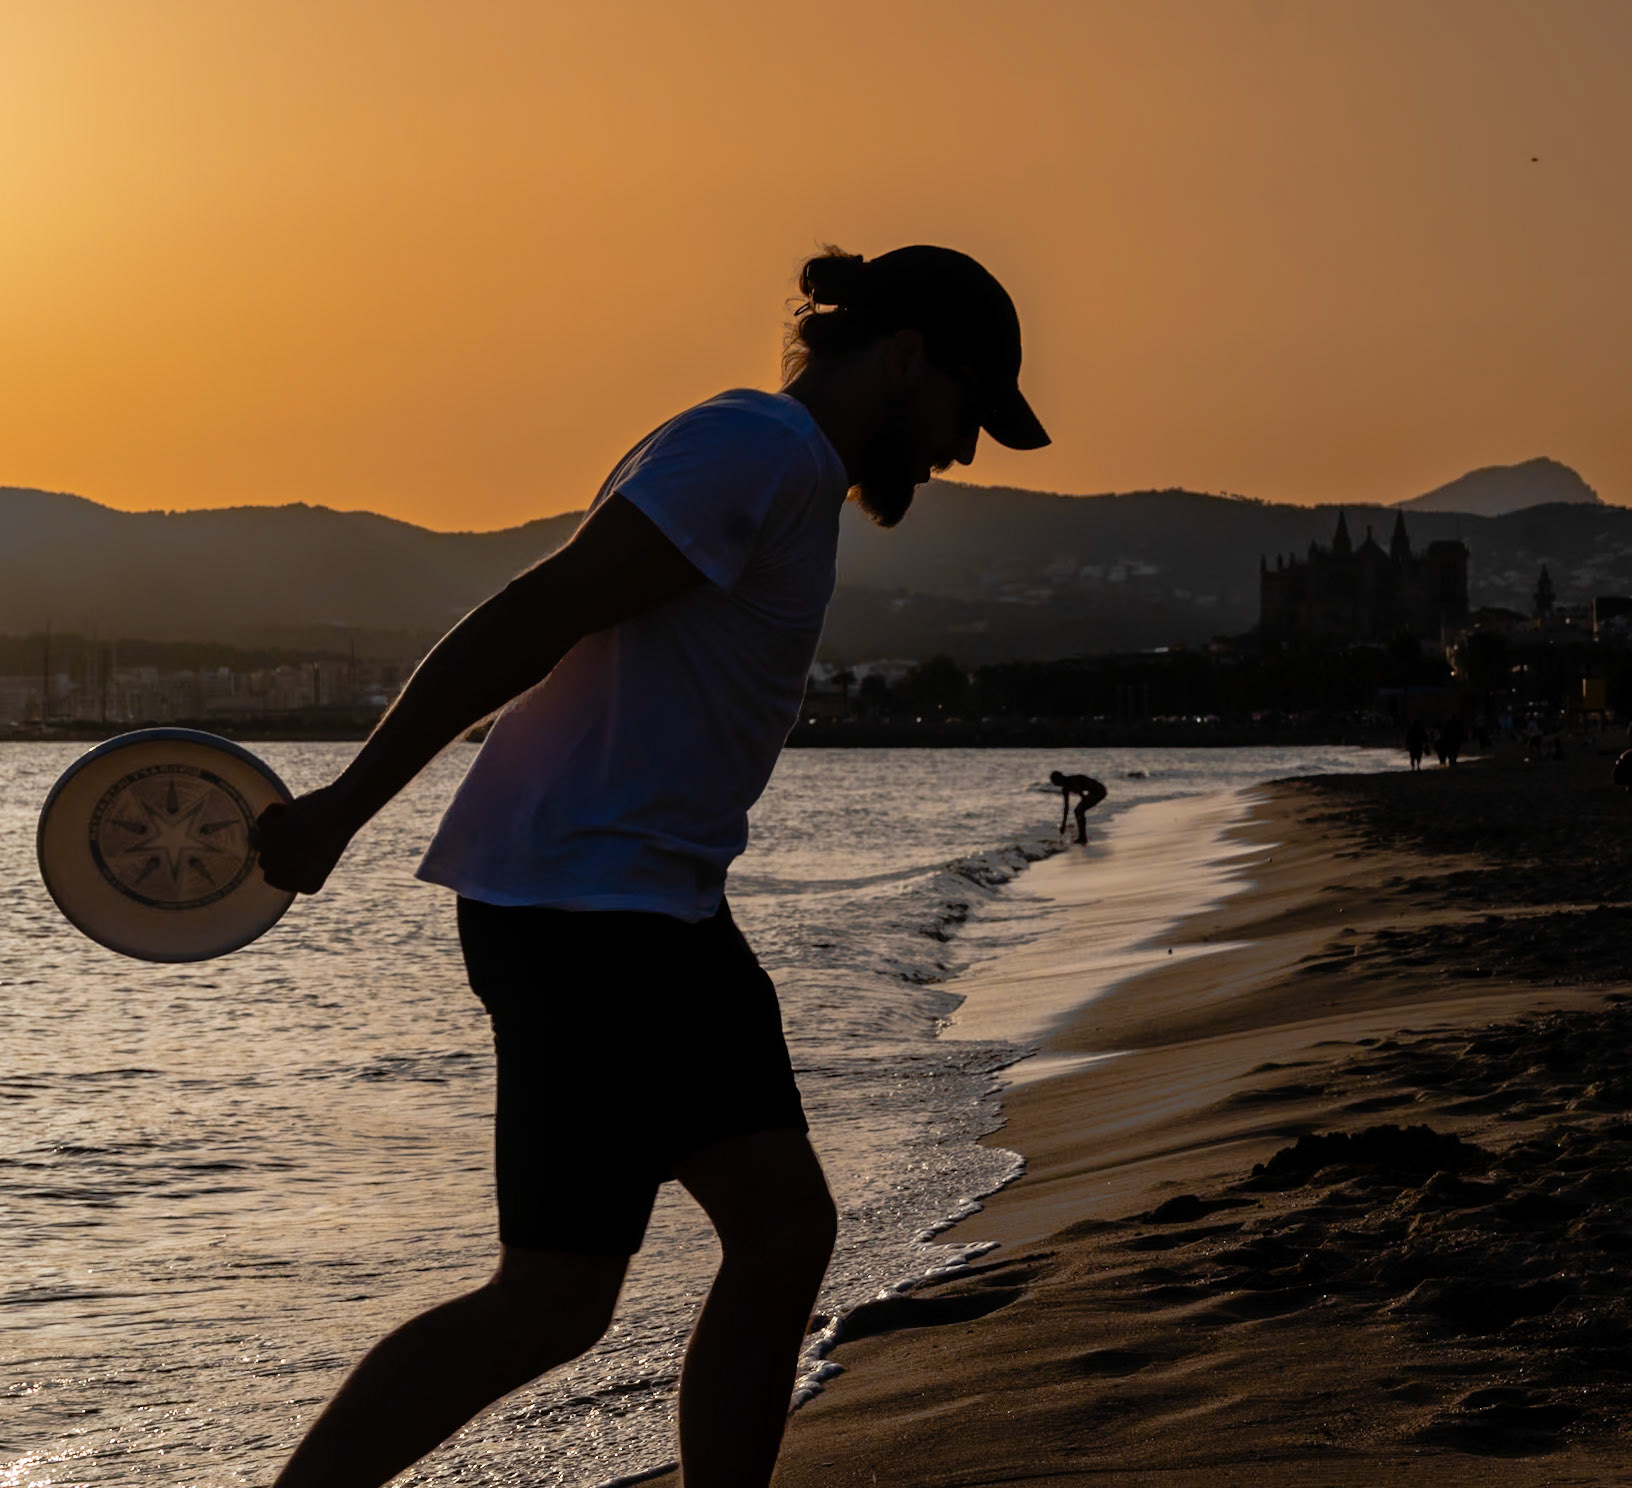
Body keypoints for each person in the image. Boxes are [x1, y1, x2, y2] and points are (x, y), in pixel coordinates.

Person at [253, 243, 1049, 1488]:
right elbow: (542, 608)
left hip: (636, 904)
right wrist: (345, 808)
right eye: (965, 409)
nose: (962, 450)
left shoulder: (781, 470)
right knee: (593, 1286)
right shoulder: (759, 449)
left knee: (687, 1261)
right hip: (591, 908)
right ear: (903, 358)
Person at [1049, 770, 1107, 844]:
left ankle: (1082, 837)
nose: (1054, 784)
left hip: (1100, 790)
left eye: (1054, 781)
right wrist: (1063, 824)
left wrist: (1084, 799)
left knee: (1079, 811)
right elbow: (1066, 807)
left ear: (1059, 779)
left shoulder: (1072, 780)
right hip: (1093, 792)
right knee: (1078, 811)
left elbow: (1081, 793)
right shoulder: (1065, 789)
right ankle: (1082, 837)